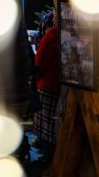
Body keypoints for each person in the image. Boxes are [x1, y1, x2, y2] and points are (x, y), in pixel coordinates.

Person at [33, 14, 60, 163]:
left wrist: (34, 76)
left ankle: (48, 160)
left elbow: (39, 62)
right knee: (53, 128)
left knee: (47, 130)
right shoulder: (67, 33)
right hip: (59, 86)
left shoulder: (52, 35)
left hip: (47, 85)